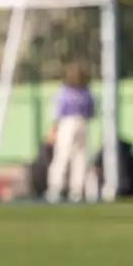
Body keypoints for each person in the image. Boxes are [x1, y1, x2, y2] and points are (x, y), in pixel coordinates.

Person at [45, 63, 96, 203]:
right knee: (80, 157)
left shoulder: (64, 92)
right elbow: (92, 112)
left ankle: (56, 188)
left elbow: (57, 111)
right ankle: (76, 190)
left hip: (67, 123)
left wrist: (54, 128)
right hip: (83, 124)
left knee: (62, 156)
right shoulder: (87, 92)